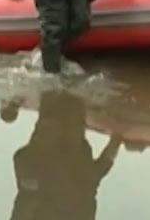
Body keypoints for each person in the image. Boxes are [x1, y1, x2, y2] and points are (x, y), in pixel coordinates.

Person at [9, 90, 122, 220]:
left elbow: (96, 176)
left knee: (60, 98)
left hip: (49, 153)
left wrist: (115, 143)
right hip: (63, 148)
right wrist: (116, 142)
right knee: (70, 97)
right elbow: (95, 177)